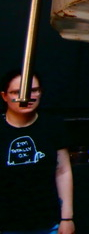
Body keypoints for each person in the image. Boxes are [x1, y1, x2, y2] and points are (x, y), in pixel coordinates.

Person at [0, 70, 75, 234]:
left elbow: (62, 171)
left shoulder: (52, 126)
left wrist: (67, 218)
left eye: (33, 90)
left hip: (47, 223)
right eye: (16, 92)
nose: (26, 97)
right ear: (4, 96)